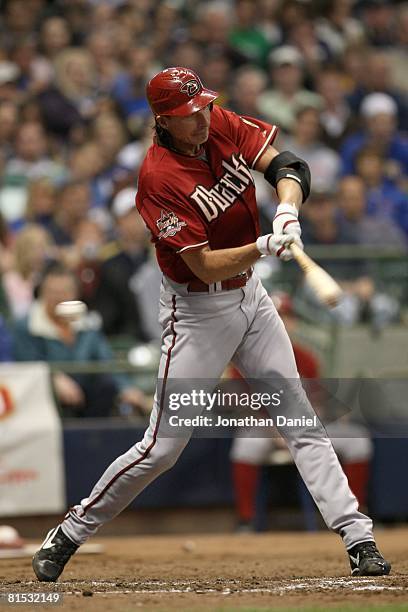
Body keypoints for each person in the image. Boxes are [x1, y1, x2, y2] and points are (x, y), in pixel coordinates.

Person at [32, 66, 390, 582]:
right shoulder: (158, 178)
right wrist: (264, 245)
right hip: (196, 311)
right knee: (163, 448)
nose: (200, 119)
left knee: (300, 419)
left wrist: (287, 210)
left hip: (251, 296)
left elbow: (285, 164)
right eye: (186, 115)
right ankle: (71, 530)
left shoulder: (216, 120)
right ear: (162, 121)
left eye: (201, 107)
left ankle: (358, 539)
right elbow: (202, 264)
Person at [231, 292, 373, 530]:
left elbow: (315, 402)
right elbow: (241, 404)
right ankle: (245, 519)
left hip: (301, 425)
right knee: (244, 447)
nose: (279, 323)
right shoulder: (244, 356)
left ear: (293, 322)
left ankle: (355, 515)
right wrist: (273, 428)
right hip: (264, 427)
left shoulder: (306, 358)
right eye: (273, 317)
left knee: (358, 440)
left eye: (284, 317)